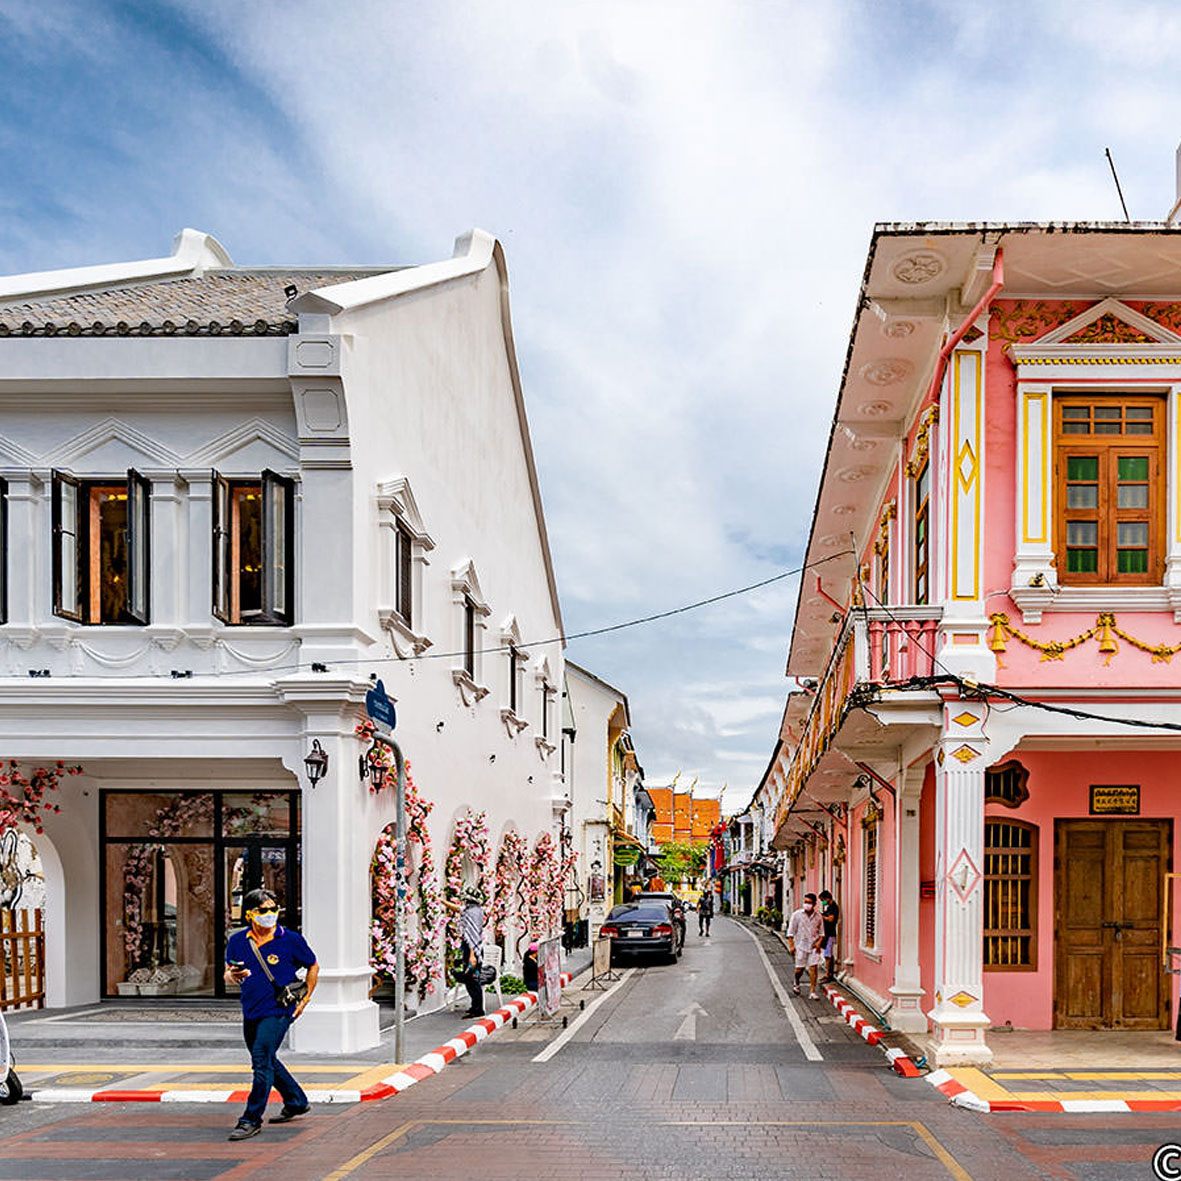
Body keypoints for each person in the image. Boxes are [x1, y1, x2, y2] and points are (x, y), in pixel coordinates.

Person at [223, 888, 318, 1141]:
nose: (270, 914)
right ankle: (296, 1100)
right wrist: (233, 976)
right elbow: (227, 973)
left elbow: (313, 965)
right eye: (263, 910)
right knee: (265, 1059)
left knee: (261, 1060)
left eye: (273, 909)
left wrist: (306, 999)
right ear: (249, 915)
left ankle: (251, 1119)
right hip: (251, 1008)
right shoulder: (237, 941)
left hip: (279, 1009)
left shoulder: (290, 939)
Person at [444, 886, 486, 1017]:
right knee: (471, 978)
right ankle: (475, 1007)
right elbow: (458, 909)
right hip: (472, 949)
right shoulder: (475, 910)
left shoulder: (472, 913)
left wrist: (472, 956)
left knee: (472, 979)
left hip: (472, 950)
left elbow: (472, 936)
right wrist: (441, 901)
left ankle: (478, 1009)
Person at [785, 892, 824, 1000]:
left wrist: (819, 942)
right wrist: (791, 945)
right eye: (805, 902)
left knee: (813, 968)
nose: (807, 904)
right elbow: (791, 932)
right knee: (799, 970)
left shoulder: (818, 917)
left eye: (809, 902)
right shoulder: (797, 915)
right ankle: (796, 982)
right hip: (800, 946)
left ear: (814, 904)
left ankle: (812, 991)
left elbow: (821, 933)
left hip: (813, 947)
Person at [818, 889, 840, 982]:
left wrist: (822, 917)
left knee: (828, 955)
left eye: (823, 900)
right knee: (828, 955)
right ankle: (829, 973)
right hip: (827, 934)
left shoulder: (833, 907)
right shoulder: (829, 907)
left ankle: (828, 975)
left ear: (827, 898)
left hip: (830, 934)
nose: (822, 902)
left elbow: (831, 919)